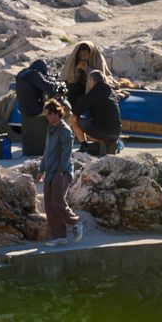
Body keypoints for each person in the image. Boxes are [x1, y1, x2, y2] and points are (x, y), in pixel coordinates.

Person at [38, 99, 83, 247]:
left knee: (57, 201)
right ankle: (60, 236)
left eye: (49, 114)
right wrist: (41, 169)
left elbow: (66, 153)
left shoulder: (65, 131)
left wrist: (61, 171)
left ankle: (76, 221)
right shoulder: (50, 129)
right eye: (47, 114)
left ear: (57, 113)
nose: (47, 117)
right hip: (50, 172)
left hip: (61, 172)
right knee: (49, 206)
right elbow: (46, 151)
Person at [69, 69, 121, 153]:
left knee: (72, 119)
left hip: (103, 132)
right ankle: (109, 144)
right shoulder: (112, 92)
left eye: (89, 81)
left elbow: (77, 111)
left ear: (91, 81)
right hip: (116, 134)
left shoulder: (93, 93)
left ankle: (85, 146)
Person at [62, 41, 112, 110]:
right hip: (81, 85)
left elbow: (100, 78)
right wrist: (77, 70)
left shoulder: (97, 59)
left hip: (95, 86)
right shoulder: (76, 61)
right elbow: (71, 78)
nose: (83, 58)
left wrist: (87, 69)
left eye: (85, 55)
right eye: (81, 55)